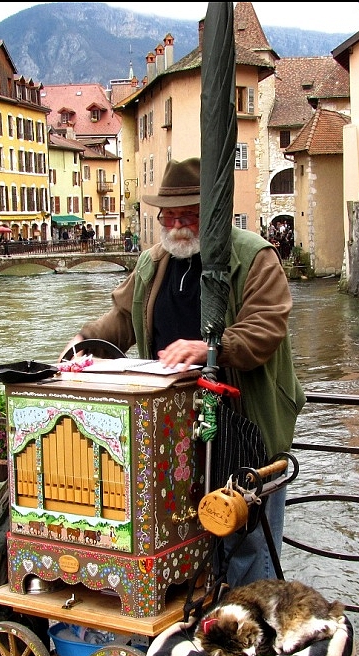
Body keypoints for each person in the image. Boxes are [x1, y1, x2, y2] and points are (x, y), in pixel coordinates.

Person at [62, 157, 305, 589]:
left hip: (244, 421)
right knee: (187, 529)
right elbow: (120, 318)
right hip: (176, 429)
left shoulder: (253, 256)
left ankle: (252, 628)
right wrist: (82, 345)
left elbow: (265, 330)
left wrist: (208, 348)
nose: (178, 225)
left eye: (188, 215)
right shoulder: (153, 262)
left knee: (247, 535)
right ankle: (206, 621)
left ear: (210, 214)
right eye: (169, 216)